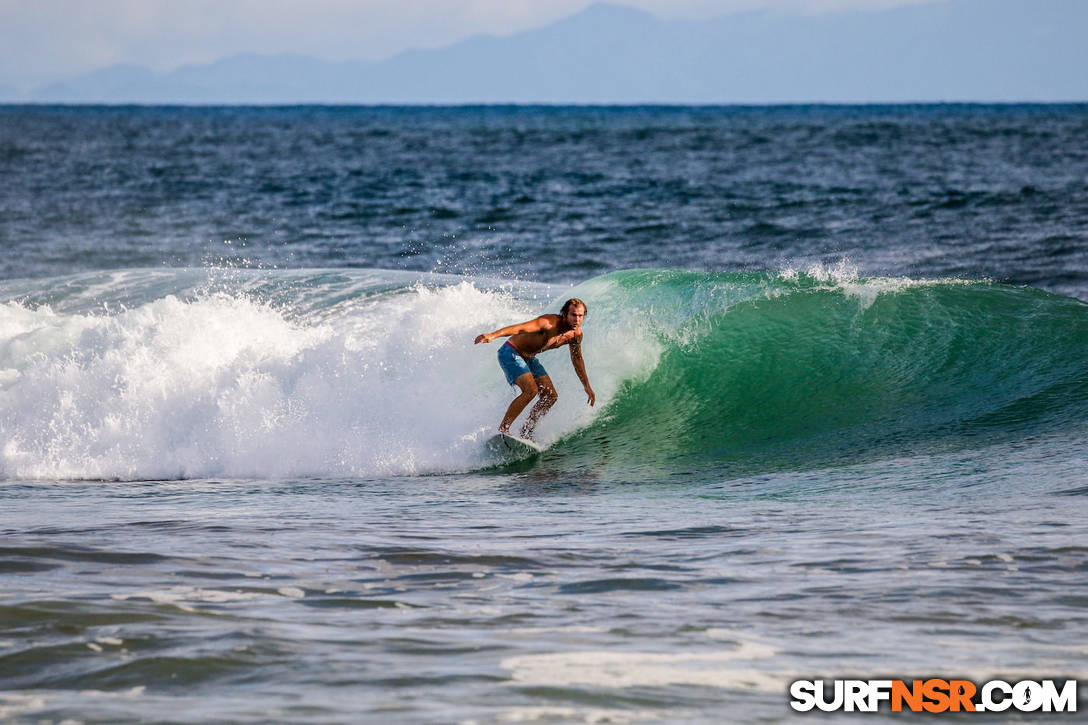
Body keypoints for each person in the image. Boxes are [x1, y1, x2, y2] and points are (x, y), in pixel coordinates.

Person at [474, 298, 595, 440]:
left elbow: (577, 360)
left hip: (529, 358)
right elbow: (520, 328)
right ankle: (504, 429)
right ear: (564, 314)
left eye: (580, 316)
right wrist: (493, 335)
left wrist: (586, 386)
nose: (577, 319)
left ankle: (526, 432)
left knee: (550, 396)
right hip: (511, 352)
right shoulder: (548, 323)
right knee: (531, 390)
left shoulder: (575, 335)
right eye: (573, 315)